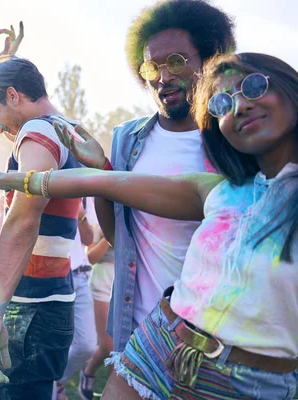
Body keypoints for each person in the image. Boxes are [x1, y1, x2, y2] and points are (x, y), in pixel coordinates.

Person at [0, 51, 298, 399]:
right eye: (222, 103)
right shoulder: (218, 189)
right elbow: (101, 184)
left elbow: (35, 215)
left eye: (254, 87)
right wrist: (6, 178)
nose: (239, 106)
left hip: (251, 382)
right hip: (158, 349)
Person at [63, 0, 236, 355]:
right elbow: (119, 236)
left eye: (176, 61)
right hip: (140, 329)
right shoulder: (127, 139)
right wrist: (103, 174)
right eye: (150, 66)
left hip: (215, 333)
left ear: (209, 61)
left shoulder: (233, 137)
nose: (162, 77)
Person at [0, 26, 83, 398]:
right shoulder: (64, 127)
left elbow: (24, 220)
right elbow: (7, 106)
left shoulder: (37, 132)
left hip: (30, 305)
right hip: (55, 297)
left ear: (13, 95)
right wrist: (5, 63)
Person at [53, 197, 97, 400]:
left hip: (79, 276)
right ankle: (51, 389)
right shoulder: (46, 181)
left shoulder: (84, 194)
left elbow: (88, 240)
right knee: (53, 345)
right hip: (52, 276)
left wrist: (80, 215)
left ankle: (55, 381)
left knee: (87, 344)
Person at [78, 223, 114, 400]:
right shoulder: (101, 217)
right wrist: (109, 236)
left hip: (128, 280)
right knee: (108, 346)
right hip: (103, 282)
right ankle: (88, 371)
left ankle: (113, 393)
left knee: (121, 350)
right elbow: (90, 257)